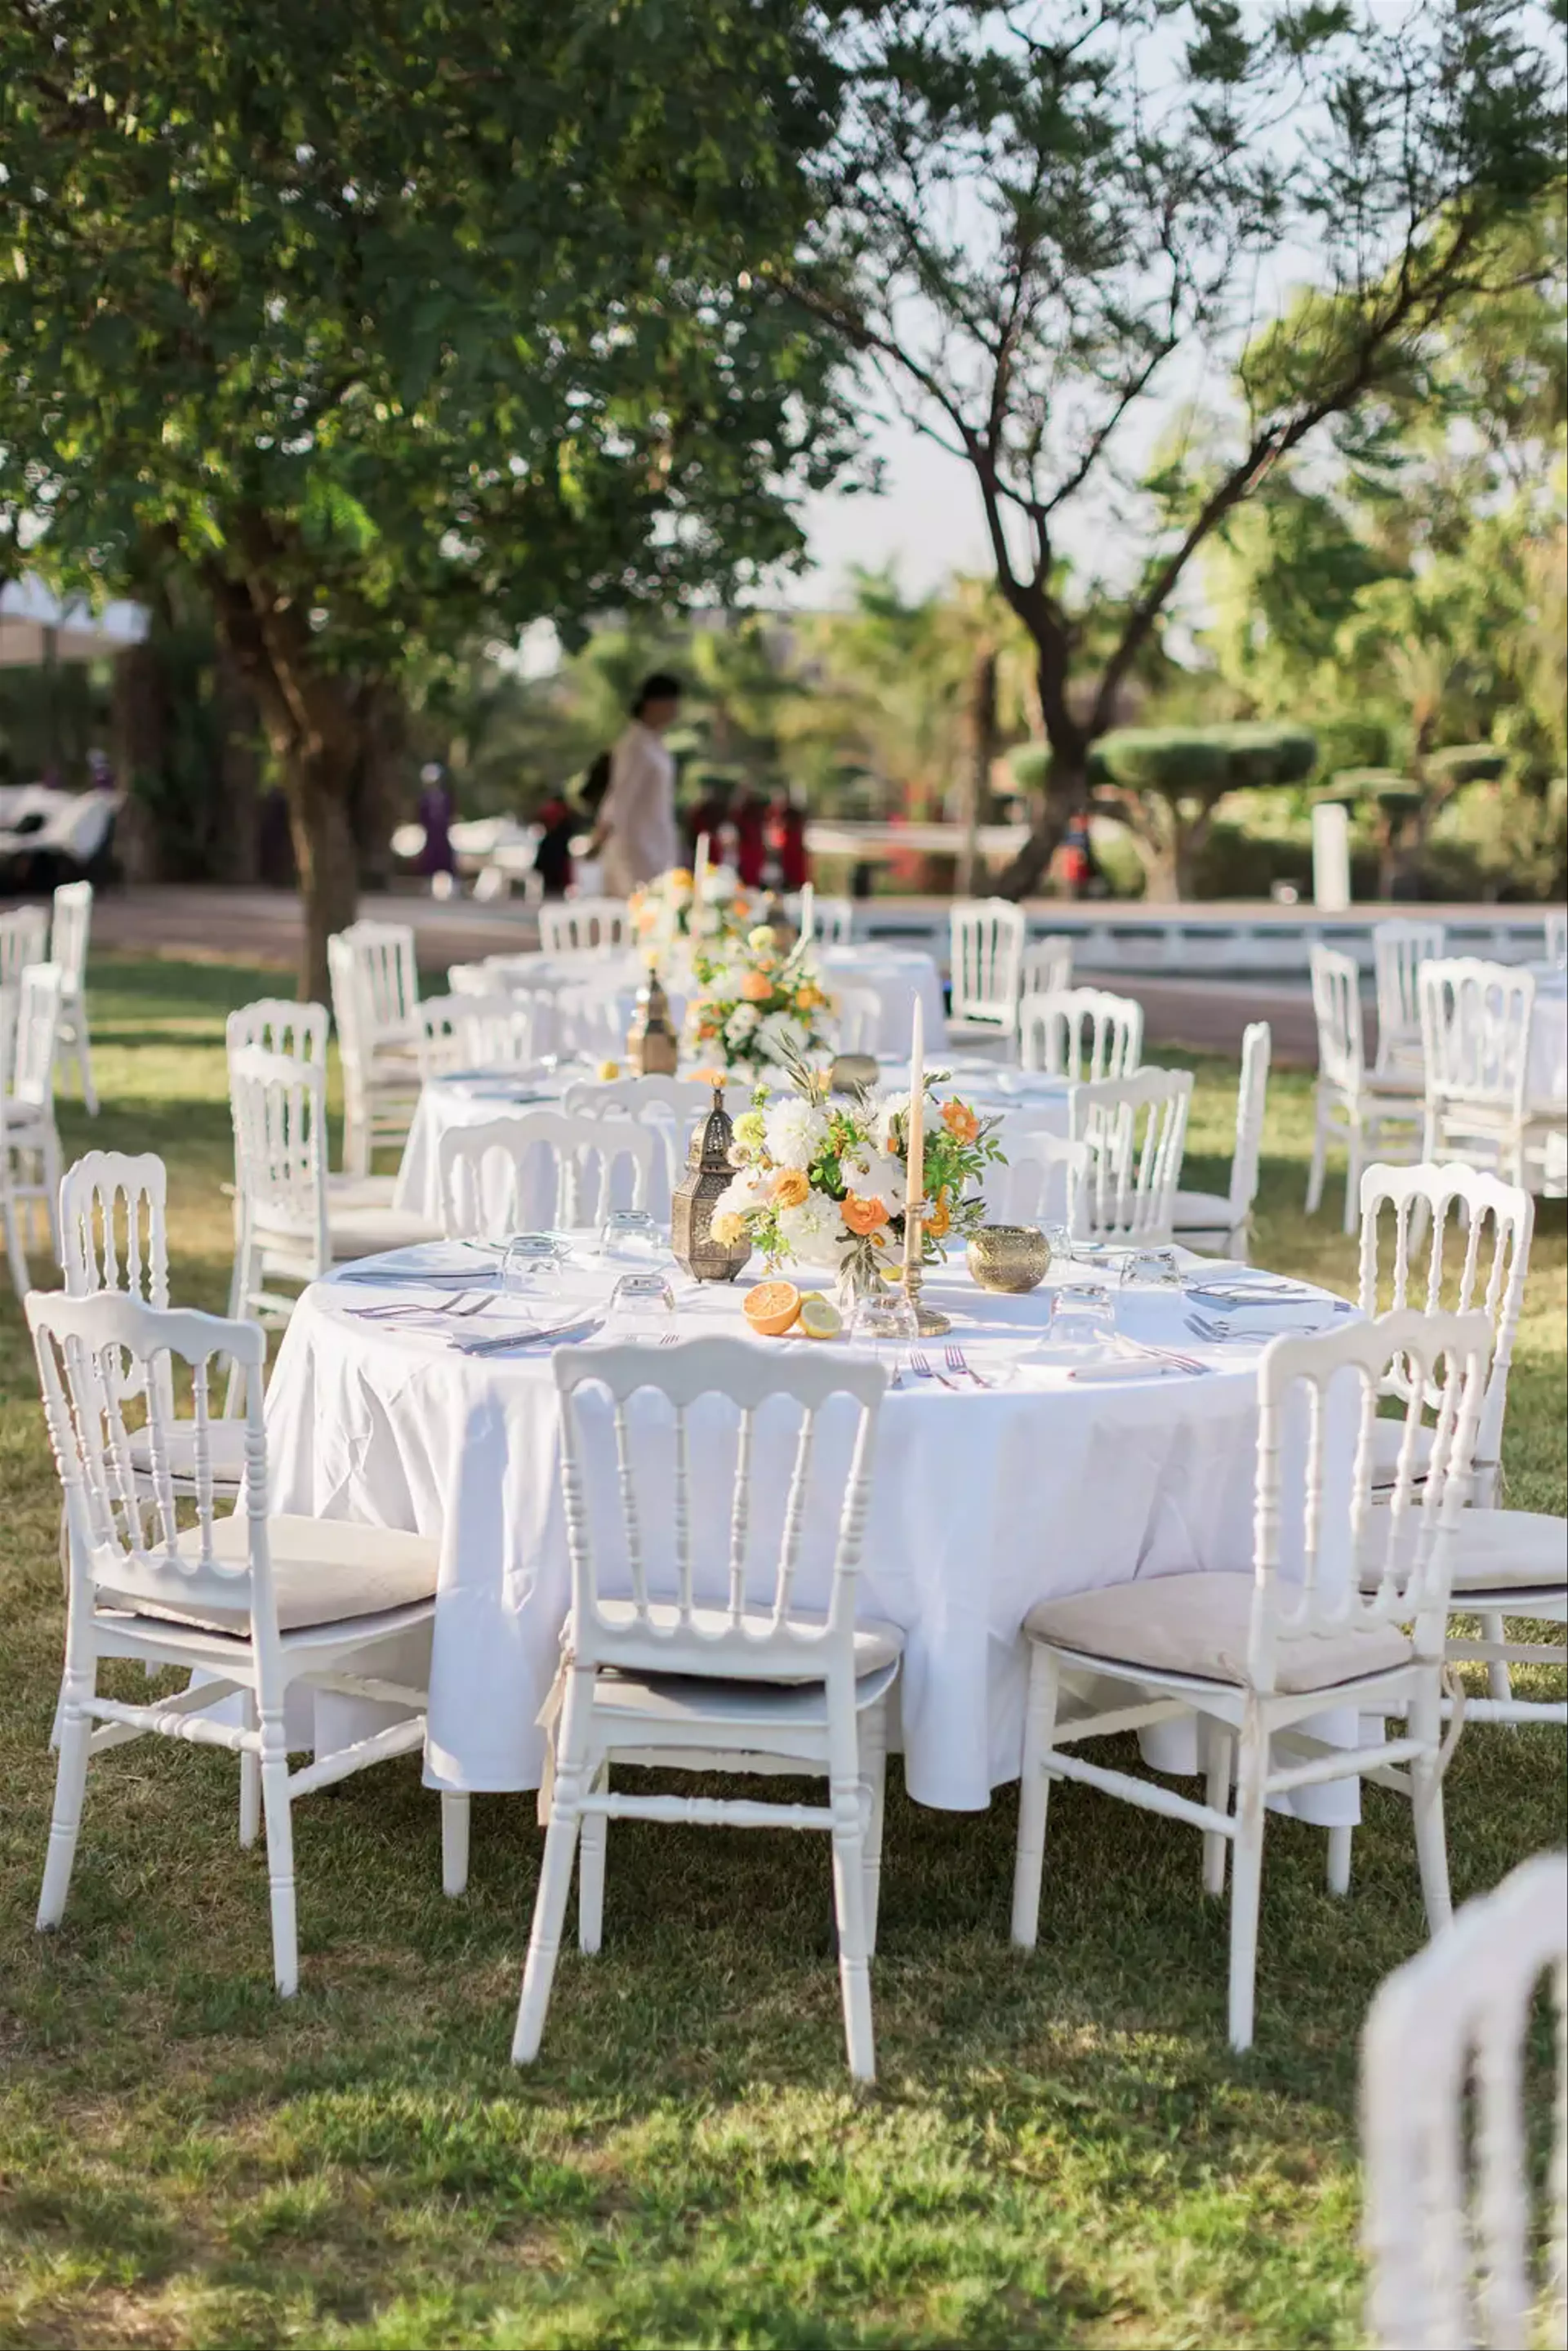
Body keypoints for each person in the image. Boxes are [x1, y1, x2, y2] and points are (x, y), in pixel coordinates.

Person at [588, 672, 682, 895]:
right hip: (636, 849)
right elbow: (620, 796)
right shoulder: (634, 745)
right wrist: (600, 836)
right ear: (654, 704)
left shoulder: (656, 743)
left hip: (657, 843)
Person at [417, 761, 456, 890]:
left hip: (443, 833)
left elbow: (450, 814)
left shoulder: (445, 797)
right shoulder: (424, 799)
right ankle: (428, 885)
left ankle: (451, 886)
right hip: (431, 834)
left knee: (446, 859)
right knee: (430, 859)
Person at [532, 794, 576, 898]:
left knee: (551, 888)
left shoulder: (552, 812)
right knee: (556, 888)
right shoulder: (564, 814)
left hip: (552, 857)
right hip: (557, 857)